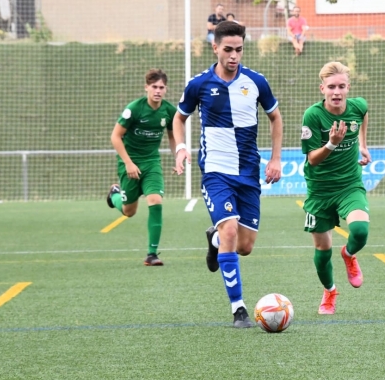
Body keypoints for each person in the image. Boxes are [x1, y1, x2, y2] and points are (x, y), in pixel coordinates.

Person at [172, 21, 283, 328]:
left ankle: (215, 240)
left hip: (248, 173)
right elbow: (178, 118)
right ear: (215, 48)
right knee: (231, 231)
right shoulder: (199, 84)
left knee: (245, 246)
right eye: (228, 50)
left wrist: (275, 159)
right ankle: (239, 309)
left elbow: (275, 118)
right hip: (216, 172)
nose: (234, 56)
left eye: (239, 50)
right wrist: (181, 147)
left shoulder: (256, 81)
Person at [300, 61, 371, 315]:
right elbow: (312, 159)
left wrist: (362, 144)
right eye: (331, 87)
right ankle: (329, 291)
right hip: (319, 190)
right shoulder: (313, 115)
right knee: (322, 250)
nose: (337, 92)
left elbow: (363, 113)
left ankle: (349, 254)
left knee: (361, 230)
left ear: (348, 87)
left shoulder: (357, 106)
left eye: (341, 86)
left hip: (349, 185)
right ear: (322, 89)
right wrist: (331, 143)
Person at [106, 69, 177, 266]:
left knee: (155, 200)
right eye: (154, 87)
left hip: (152, 162)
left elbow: (173, 136)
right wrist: (128, 163)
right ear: (146, 87)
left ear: (166, 89)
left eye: (161, 87)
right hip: (129, 162)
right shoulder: (134, 109)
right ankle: (114, 195)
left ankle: (151, 254)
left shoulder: (169, 111)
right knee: (129, 211)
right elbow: (115, 136)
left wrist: (178, 157)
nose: (158, 91)